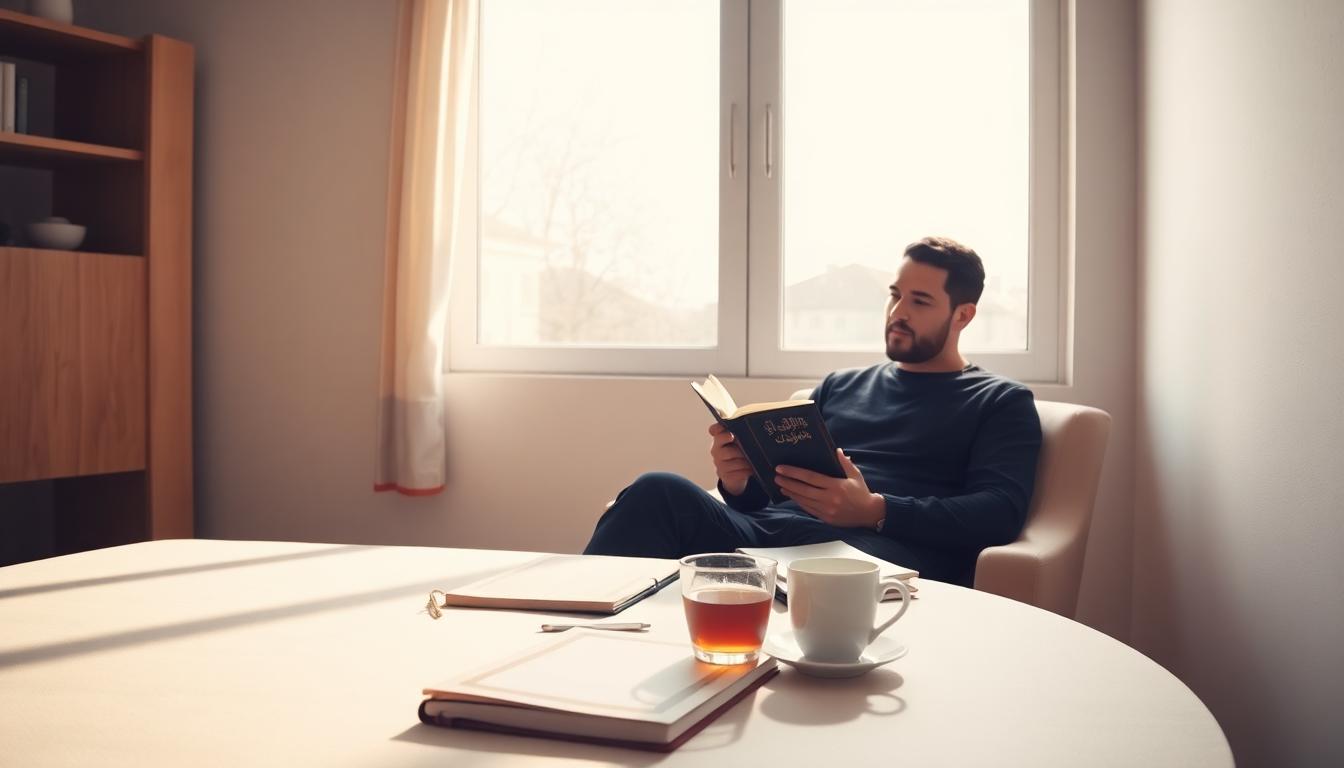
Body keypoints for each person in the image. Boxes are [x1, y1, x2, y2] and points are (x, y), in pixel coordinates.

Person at [583, 236, 1042, 587]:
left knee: (815, 569)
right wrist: (737, 482)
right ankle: (567, 632)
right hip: (775, 533)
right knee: (656, 491)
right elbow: (771, 495)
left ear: (963, 315)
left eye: (919, 301)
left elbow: (998, 511)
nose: (897, 311)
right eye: (894, 294)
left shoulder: (999, 400)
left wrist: (876, 510)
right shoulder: (840, 386)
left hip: (874, 551)